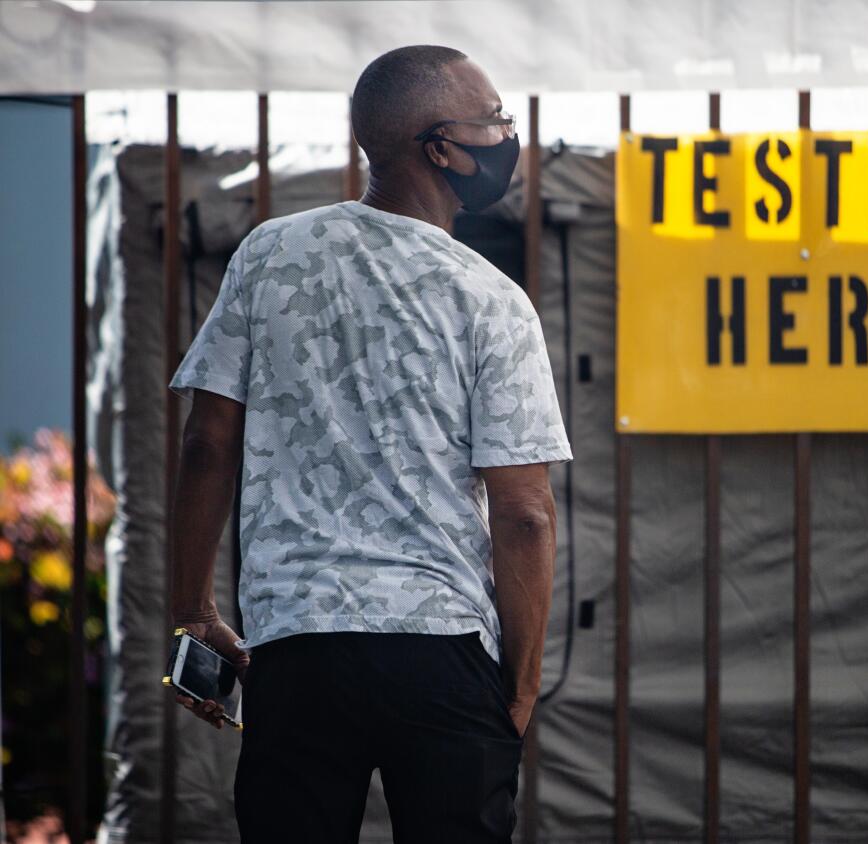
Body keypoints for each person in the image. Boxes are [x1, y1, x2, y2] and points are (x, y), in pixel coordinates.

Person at [166, 44, 572, 843]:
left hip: (297, 647)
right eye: (493, 120)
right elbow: (524, 513)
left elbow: (207, 443)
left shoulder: (269, 256)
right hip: (442, 648)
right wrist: (519, 690)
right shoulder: (491, 300)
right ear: (441, 148)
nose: (507, 136)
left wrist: (192, 608)